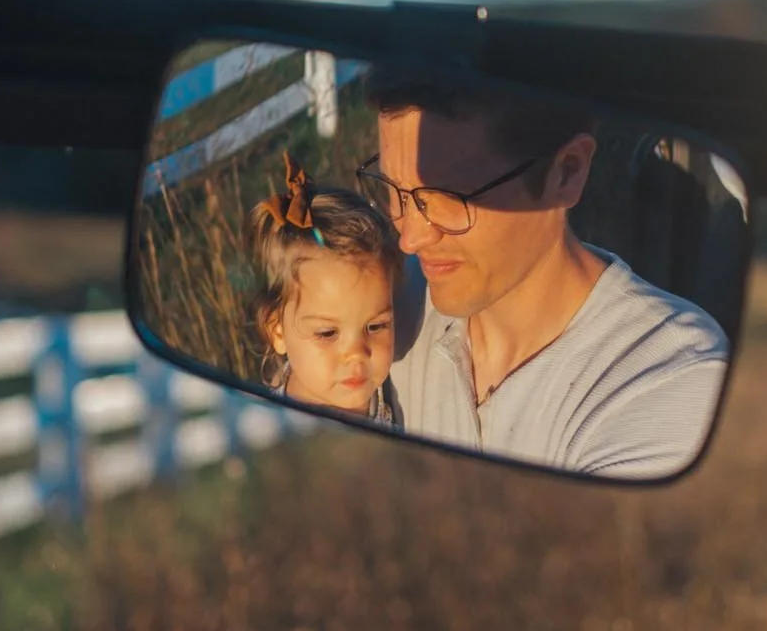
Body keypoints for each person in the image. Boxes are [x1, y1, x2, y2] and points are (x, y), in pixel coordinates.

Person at [358, 66, 728, 479]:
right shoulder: (381, 310)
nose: (409, 237)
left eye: (446, 198)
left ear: (567, 173)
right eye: (393, 190)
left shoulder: (671, 376)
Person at [250, 155, 402, 424]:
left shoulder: (400, 392)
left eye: (376, 326)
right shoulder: (266, 433)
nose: (356, 352)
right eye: (327, 333)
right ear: (277, 330)